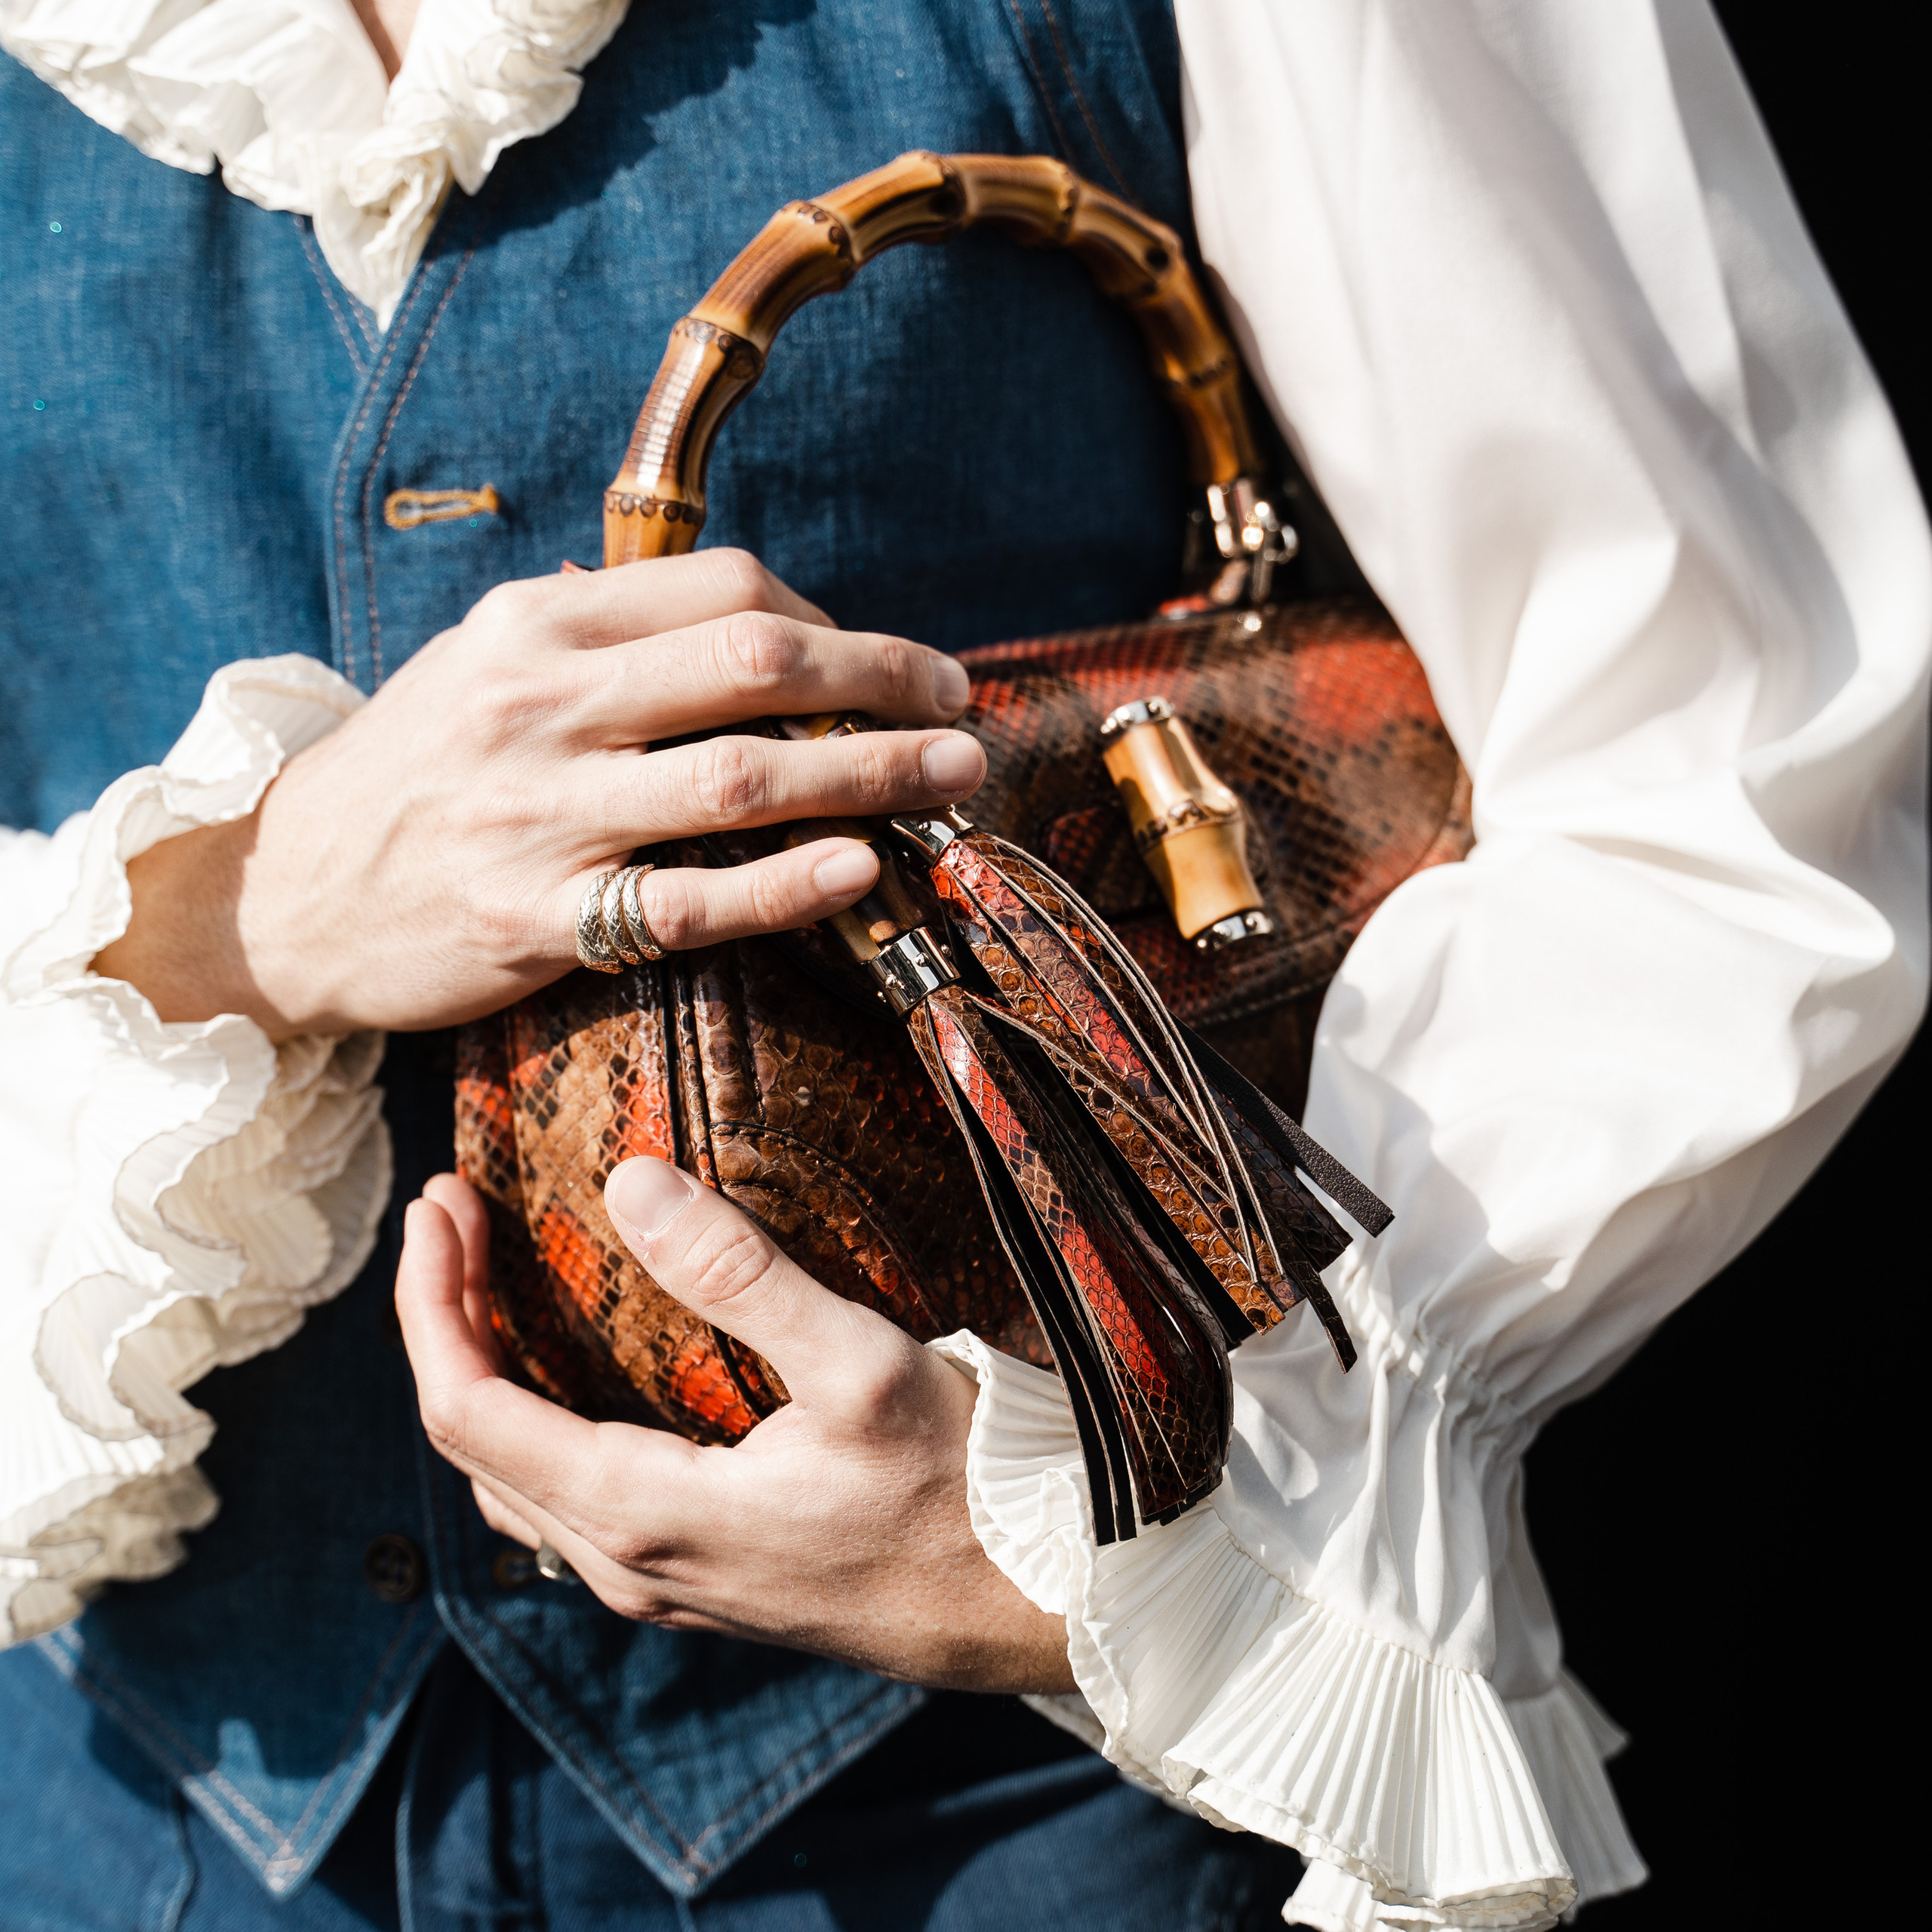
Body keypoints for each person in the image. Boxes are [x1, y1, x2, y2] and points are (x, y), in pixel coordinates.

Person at [2, 1, 1924, 1926]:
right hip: (141, 1807)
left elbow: (1721, 763)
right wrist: (248, 901)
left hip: (1023, 1807)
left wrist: (1157, 1522)